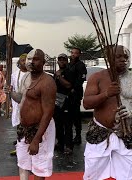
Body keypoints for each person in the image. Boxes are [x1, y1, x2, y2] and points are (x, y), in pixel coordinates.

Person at [83, 45, 132, 180]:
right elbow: (86, 104)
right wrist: (106, 94)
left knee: (128, 174)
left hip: (127, 133)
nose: (123, 60)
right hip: (100, 131)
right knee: (92, 174)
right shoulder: (97, 77)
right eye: (119, 57)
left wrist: (131, 111)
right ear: (109, 59)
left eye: (126, 57)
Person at [8, 49, 56, 179]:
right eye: (29, 59)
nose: (31, 62)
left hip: (41, 130)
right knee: (23, 164)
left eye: (35, 59)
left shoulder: (47, 82)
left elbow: (48, 112)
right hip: (24, 128)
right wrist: (10, 93)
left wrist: (36, 139)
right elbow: (22, 99)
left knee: (39, 168)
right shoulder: (26, 77)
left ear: (43, 62)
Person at [9, 53, 30, 155]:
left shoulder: (31, 74)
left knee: (28, 125)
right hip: (17, 103)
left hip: (29, 104)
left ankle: (27, 146)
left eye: (26, 61)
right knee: (19, 124)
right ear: (19, 62)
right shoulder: (15, 74)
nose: (25, 62)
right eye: (23, 61)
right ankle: (20, 147)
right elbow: (11, 89)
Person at [53, 53, 73, 154]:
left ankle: (68, 146)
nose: (62, 61)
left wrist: (60, 77)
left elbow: (68, 85)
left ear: (67, 61)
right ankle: (60, 143)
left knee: (67, 125)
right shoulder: (56, 73)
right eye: (60, 60)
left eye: (64, 60)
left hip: (67, 102)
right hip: (56, 102)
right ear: (57, 61)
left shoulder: (69, 72)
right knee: (58, 124)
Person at [67, 48, 87, 144]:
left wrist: (73, 89)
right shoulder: (69, 65)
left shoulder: (80, 65)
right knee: (68, 116)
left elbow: (81, 79)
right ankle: (68, 136)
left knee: (76, 115)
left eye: (76, 53)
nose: (73, 55)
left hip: (75, 94)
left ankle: (78, 136)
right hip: (67, 94)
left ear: (79, 54)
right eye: (72, 53)